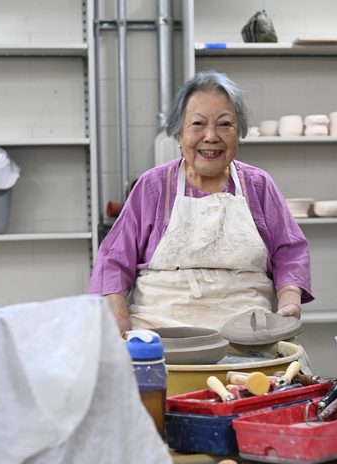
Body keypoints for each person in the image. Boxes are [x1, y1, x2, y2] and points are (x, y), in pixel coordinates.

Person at [88, 71, 314, 356]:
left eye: (224, 124)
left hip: (249, 334)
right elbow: (113, 261)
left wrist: (289, 301)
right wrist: (119, 321)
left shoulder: (258, 185)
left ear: (239, 131)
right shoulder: (153, 186)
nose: (211, 136)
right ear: (179, 132)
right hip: (160, 335)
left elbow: (290, 251)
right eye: (197, 124)